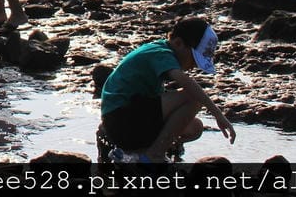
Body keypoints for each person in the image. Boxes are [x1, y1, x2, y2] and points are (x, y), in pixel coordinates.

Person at [100, 17, 234, 163]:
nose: (193, 67)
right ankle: (155, 154)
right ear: (178, 43)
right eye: (194, 60)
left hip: (126, 121)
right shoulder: (160, 53)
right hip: (121, 119)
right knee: (193, 98)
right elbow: (187, 83)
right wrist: (218, 115)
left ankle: (137, 154)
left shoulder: (160, 51)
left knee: (195, 127)